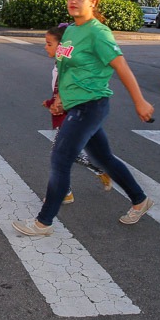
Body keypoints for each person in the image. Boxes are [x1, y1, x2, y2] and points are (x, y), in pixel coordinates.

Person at [13, 0, 154, 236]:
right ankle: (140, 199)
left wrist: (140, 101)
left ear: (93, 2)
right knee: (104, 158)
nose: (73, 1)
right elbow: (64, 69)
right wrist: (59, 100)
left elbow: (122, 67)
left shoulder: (98, 33)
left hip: (91, 105)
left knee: (60, 158)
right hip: (74, 105)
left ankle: (43, 222)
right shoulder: (70, 32)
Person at [42, 23, 112, 205]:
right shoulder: (59, 65)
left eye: (50, 44)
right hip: (62, 114)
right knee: (70, 154)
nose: (45, 47)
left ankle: (65, 192)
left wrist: (58, 104)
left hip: (71, 116)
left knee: (59, 154)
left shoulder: (68, 67)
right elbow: (59, 91)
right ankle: (101, 168)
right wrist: (51, 102)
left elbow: (70, 92)